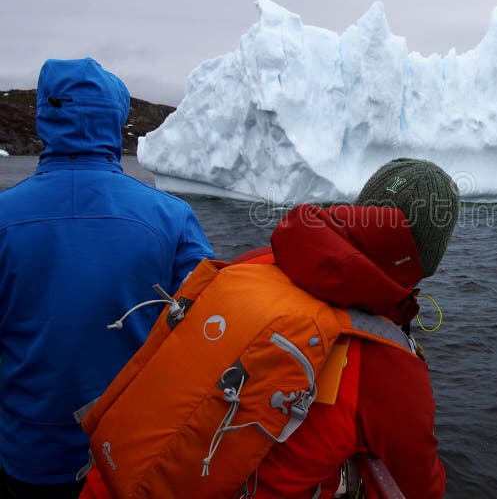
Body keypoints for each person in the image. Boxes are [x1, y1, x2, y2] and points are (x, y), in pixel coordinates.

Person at [80, 157, 459, 499]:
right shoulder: (388, 365)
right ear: (426, 261)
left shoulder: (257, 264)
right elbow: (420, 486)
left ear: (356, 212)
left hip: (108, 476)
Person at [0, 58, 214, 498]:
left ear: (44, 117)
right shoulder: (171, 216)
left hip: (26, 451)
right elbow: (208, 328)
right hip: (132, 452)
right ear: (117, 120)